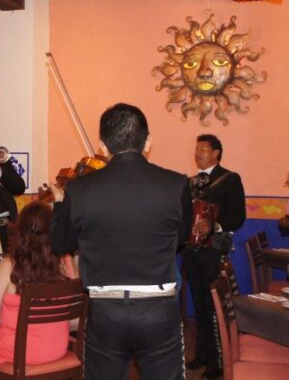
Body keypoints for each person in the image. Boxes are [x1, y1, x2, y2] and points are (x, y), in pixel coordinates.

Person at [51, 103, 192, 379]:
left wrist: (59, 204)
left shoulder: (79, 189)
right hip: (158, 308)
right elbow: (180, 240)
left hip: (106, 309)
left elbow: (60, 245)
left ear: (102, 146)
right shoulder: (176, 184)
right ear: (148, 141)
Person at [0, 201, 69, 380]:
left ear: (20, 230)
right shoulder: (63, 262)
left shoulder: (10, 266)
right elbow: (73, 319)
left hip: (23, 350)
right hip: (58, 346)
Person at [182, 134, 246, 379]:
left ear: (216, 153)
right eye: (196, 148)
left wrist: (214, 226)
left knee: (214, 306)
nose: (198, 152)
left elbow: (238, 217)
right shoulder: (189, 182)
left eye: (203, 149)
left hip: (214, 250)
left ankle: (218, 362)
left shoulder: (230, 179)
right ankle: (201, 354)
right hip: (191, 250)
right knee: (199, 305)